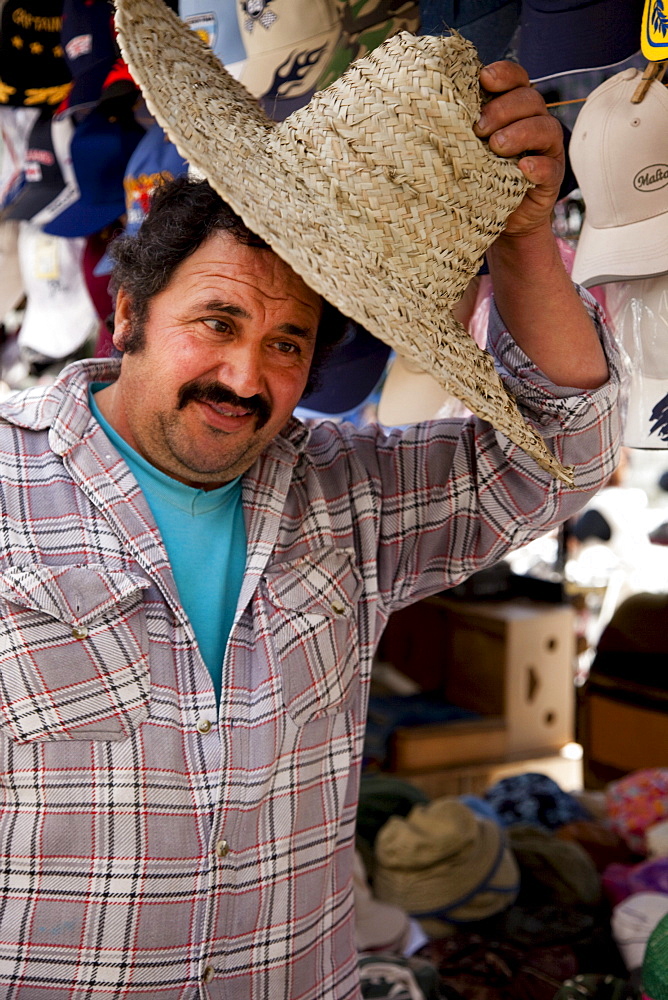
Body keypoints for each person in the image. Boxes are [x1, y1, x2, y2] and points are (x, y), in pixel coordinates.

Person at [0, 8, 621, 1000]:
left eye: (286, 344)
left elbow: (565, 454)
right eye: (217, 321)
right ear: (126, 314)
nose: (247, 374)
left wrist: (521, 239)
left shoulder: (347, 495)